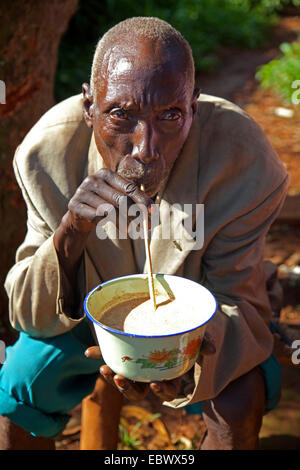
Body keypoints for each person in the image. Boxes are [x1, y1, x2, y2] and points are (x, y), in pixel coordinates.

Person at [0, 17, 289, 450]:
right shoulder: (48, 156)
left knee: (241, 401)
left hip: (201, 332)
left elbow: (237, 299)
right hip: (81, 324)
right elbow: (26, 313)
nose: (145, 148)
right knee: (18, 388)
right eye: (120, 115)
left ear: (194, 107)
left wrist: (184, 364)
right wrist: (71, 233)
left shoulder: (244, 163)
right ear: (88, 106)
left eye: (170, 115)